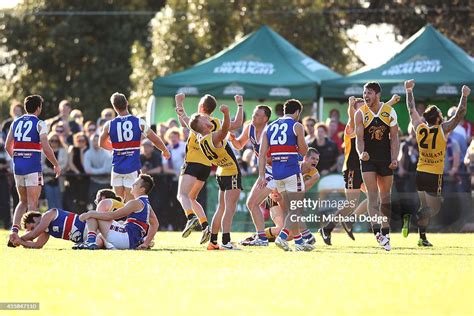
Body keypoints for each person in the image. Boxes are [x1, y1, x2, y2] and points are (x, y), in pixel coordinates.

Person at [320, 95, 400, 245]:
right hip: (352, 169)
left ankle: (352, 221)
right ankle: (327, 228)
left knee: (373, 198)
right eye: (362, 106)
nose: (366, 109)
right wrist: (351, 106)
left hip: (365, 168)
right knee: (351, 203)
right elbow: (354, 120)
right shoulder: (353, 123)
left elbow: (378, 111)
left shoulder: (367, 118)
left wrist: (389, 103)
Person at [403, 79, 470, 246]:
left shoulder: (419, 127)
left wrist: (409, 90)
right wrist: (464, 95)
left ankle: (422, 238)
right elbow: (460, 113)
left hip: (420, 172)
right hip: (434, 174)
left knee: (424, 206)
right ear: (439, 117)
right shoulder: (443, 129)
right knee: (434, 208)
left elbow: (411, 108)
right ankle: (411, 219)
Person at [175, 93, 243, 244]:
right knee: (193, 198)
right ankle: (205, 226)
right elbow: (236, 123)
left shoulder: (198, 121)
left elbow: (184, 119)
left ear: (201, 107)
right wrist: (239, 105)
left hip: (192, 162)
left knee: (182, 195)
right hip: (207, 166)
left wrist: (179, 102)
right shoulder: (216, 123)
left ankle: (191, 217)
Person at [257, 99, 314, 252]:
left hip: (277, 173)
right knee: (296, 209)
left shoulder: (269, 127)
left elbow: (262, 154)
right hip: (291, 171)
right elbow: (303, 152)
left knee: (290, 210)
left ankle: (299, 241)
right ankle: (282, 237)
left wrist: (262, 175)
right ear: (297, 112)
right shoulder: (296, 125)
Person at [5, 95, 61, 247]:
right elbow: (45, 144)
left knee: (21, 201)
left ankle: (14, 232)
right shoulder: (40, 123)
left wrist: (16, 158)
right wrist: (55, 163)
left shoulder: (15, 122)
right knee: (32, 204)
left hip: (18, 167)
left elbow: (7, 145)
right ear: (38, 108)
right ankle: (28, 237)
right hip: (33, 167)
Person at [99, 92, 170, 202]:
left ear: (114, 107)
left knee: (118, 202)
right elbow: (154, 139)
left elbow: (101, 143)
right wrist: (164, 150)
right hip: (132, 167)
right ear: (127, 103)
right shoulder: (138, 122)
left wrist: (115, 148)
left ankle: (119, 220)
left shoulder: (109, 124)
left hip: (117, 167)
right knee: (130, 202)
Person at [355, 82, 399, 251]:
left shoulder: (389, 111)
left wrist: (394, 158)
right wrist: (361, 153)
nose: (366, 96)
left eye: (369, 93)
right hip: (368, 160)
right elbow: (359, 138)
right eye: (364, 93)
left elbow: (394, 138)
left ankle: (386, 233)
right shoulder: (360, 113)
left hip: (386, 160)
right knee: (373, 197)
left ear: (378, 94)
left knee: (385, 198)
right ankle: (377, 233)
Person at [228, 105, 273, 246]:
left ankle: (263, 237)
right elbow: (240, 145)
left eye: (257, 115)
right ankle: (262, 237)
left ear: (265, 119)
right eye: (253, 113)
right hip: (267, 171)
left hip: (276, 171)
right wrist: (233, 139)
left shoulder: (270, 131)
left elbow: (275, 156)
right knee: (252, 203)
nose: (253, 117)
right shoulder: (249, 127)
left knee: (253, 203)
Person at [78, 174, 159, 250]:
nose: (133, 185)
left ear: (142, 189)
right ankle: (91, 242)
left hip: (125, 239)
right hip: (130, 240)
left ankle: (90, 242)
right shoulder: (146, 203)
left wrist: (90, 213)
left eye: (136, 184)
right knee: (96, 216)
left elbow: (112, 216)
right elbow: (155, 224)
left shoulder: (136, 203)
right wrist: (146, 243)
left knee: (93, 216)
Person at [83, 134, 112, 206]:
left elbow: (107, 170)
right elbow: (87, 170)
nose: (96, 142)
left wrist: (93, 171)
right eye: (94, 141)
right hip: (94, 183)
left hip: (106, 183)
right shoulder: (88, 153)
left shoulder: (107, 153)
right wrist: (99, 171)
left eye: (97, 140)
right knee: (93, 205)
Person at [42, 132, 68, 209]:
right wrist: (50, 171)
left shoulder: (63, 151)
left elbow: (64, 164)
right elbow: (41, 163)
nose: (54, 142)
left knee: (59, 203)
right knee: (50, 203)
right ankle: (51, 220)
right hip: (48, 180)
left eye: (56, 141)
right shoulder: (44, 151)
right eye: (52, 140)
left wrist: (56, 170)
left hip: (59, 180)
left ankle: (60, 220)